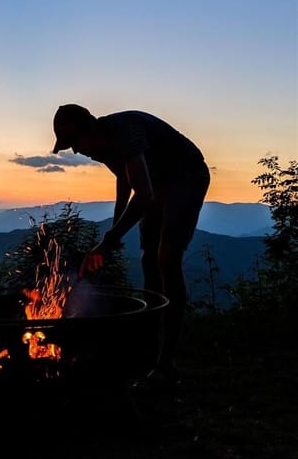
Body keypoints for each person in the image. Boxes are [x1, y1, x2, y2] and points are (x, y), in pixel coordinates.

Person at [51, 103, 210, 390]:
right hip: (158, 185)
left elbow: (145, 195)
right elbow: (125, 181)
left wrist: (109, 240)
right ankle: (148, 348)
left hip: (186, 177)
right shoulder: (99, 147)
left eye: (74, 142)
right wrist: (115, 231)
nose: (75, 151)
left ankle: (166, 363)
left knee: (167, 259)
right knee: (149, 259)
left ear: (89, 128)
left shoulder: (125, 132)